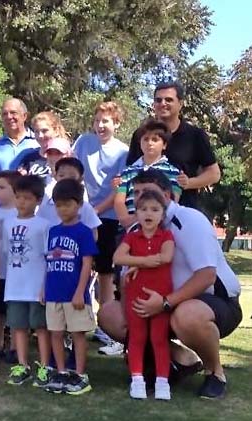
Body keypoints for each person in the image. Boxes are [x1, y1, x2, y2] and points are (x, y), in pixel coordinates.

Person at [98, 170, 242, 399]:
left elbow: (206, 276)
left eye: (148, 192)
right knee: (109, 314)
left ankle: (215, 372)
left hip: (211, 300)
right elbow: (125, 279)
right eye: (136, 193)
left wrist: (164, 303)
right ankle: (178, 360)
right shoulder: (136, 229)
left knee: (186, 316)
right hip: (159, 302)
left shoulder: (190, 220)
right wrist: (132, 316)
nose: (141, 198)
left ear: (167, 195)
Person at [72, 101, 129, 354]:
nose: (100, 125)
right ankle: (77, 323)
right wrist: (82, 207)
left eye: (106, 121)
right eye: (97, 120)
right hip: (83, 214)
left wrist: (95, 210)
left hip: (109, 217)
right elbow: (75, 173)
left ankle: (107, 326)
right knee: (79, 266)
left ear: (116, 123)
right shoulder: (83, 142)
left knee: (105, 272)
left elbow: (119, 189)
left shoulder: (123, 152)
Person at [113, 190, 174, 400]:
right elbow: (118, 257)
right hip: (136, 295)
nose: (149, 214)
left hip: (160, 295)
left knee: (159, 338)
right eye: (143, 209)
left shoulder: (166, 235)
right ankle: (137, 379)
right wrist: (143, 262)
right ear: (136, 213)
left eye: (155, 210)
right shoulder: (132, 236)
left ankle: (162, 381)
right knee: (137, 338)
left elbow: (167, 256)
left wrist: (139, 261)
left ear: (162, 214)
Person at [42, 179, 99, 396]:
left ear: (78, 205)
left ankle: (80, 374)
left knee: (77, 334)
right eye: (58, 205)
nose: (62, 209)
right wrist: (43, 289)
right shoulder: (53, 231)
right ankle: (62, 371)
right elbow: (49, 262)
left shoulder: (83, 232)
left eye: (67, 204)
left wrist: (79, 291)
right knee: (55, 333)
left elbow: (87, 264)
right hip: (54, 292)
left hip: (74, 294)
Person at [126, 81, 220, 210]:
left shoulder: (195, 135)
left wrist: (188, 183)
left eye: (168, 100)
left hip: (182, 213)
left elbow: (214, 174)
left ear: (180, 104)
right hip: (145, 217)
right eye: (158, 100)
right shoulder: (141, 135)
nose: (163, 104)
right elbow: (130, 173)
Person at [4, 175, 51, 386]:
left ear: (38, 200)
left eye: (27, 198)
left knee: (40, 327)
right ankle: (22, 365)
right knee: (18, 327)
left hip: (36, 286)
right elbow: (6, 251)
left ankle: (44, 365)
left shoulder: (44, 225)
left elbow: (49, 257)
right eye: (18, 197)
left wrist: (45, 286)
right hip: (15, 286)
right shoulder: (8, 223)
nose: (22, 202)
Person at [115, 120, 182, 228]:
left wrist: (148, 218)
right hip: (130, 228)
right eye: (145, 139)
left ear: (164, 145)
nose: (149, 143)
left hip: (160, 229)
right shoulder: (127, 171)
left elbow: (172, 202)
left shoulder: (174, 173)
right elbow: (119, 201)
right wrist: (127, 220)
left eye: (155, 140)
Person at [0, 171, 20, 358]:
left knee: (14, 310)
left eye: (2, 187)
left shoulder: (20, 213)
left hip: (16, 271)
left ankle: (16, 346)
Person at [37, 157, 102, 232]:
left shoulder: (85, 207)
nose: (66, 179)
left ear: (81, 179)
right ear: (55, 177)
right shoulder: (46, 205)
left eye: (72, 177)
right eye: (61, 175)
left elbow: (93, 234)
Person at [0, 97, 40, 173]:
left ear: (24, 116)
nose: (9, 117)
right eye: (5, 114)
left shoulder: (38, 142)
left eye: (13, 112)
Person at [19, 111, 69, 183]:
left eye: (44, 131)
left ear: (56, 130)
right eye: (36, 131)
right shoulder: (29, 158)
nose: (40, 136)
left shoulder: (66, 154)